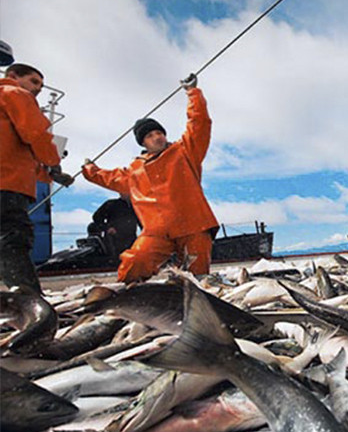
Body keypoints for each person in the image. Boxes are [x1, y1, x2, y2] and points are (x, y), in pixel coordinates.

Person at [82, 73, 219, 283]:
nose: (157, 137)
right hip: (157, 232)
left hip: (194, 227)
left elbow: (199, 123)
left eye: (159, 133)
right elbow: (109, 178)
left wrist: (193, 93)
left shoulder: (185, 151)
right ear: (143, 143)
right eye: (149, 135)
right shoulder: (134, 170)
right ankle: (125, 294)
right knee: (135, 262)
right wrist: (89, 169)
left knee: (197, 278)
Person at [0, 63, 74, 294]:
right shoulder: (14, 93)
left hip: (8, 177)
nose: (37, 89)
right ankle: (29, 302)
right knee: (13, 238)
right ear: (13, 76)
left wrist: (49, 174)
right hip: (7, 186)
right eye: (34, 81)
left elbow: (16, 151)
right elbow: (36, 134)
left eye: (40, 86)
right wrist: (54, 162)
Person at [87, 193, 140, 261]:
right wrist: (107, 228)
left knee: (132, 260)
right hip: (113, 240)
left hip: (131, 240)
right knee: (116, 261)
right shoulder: (111, 204)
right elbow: (96, 217)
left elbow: (142, 223)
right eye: (122, 191)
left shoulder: (136, 207)